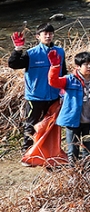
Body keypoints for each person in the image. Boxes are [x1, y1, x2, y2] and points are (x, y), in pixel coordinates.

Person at [8, 23, 65, 151]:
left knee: (51, 124)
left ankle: (47, 150)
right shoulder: (31, 54)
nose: (48, 36)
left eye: (50, 33)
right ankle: (27, 150)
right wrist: (17, 49)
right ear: (38, 36)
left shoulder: (60, 52)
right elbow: (13, 64)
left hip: (54, 96)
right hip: (35, 96)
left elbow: (63, 72)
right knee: (31, 124)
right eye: (45, 34)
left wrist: (64, 90)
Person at [48, 50, 90, 162]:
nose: (89, 67)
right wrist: (55, 67)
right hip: (73, 122)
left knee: (89, 151)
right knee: (72, 151)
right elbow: (53, 82)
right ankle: (73, 176)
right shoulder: (69, 80)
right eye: (86, 64)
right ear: (78, 66)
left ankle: (87, 176)